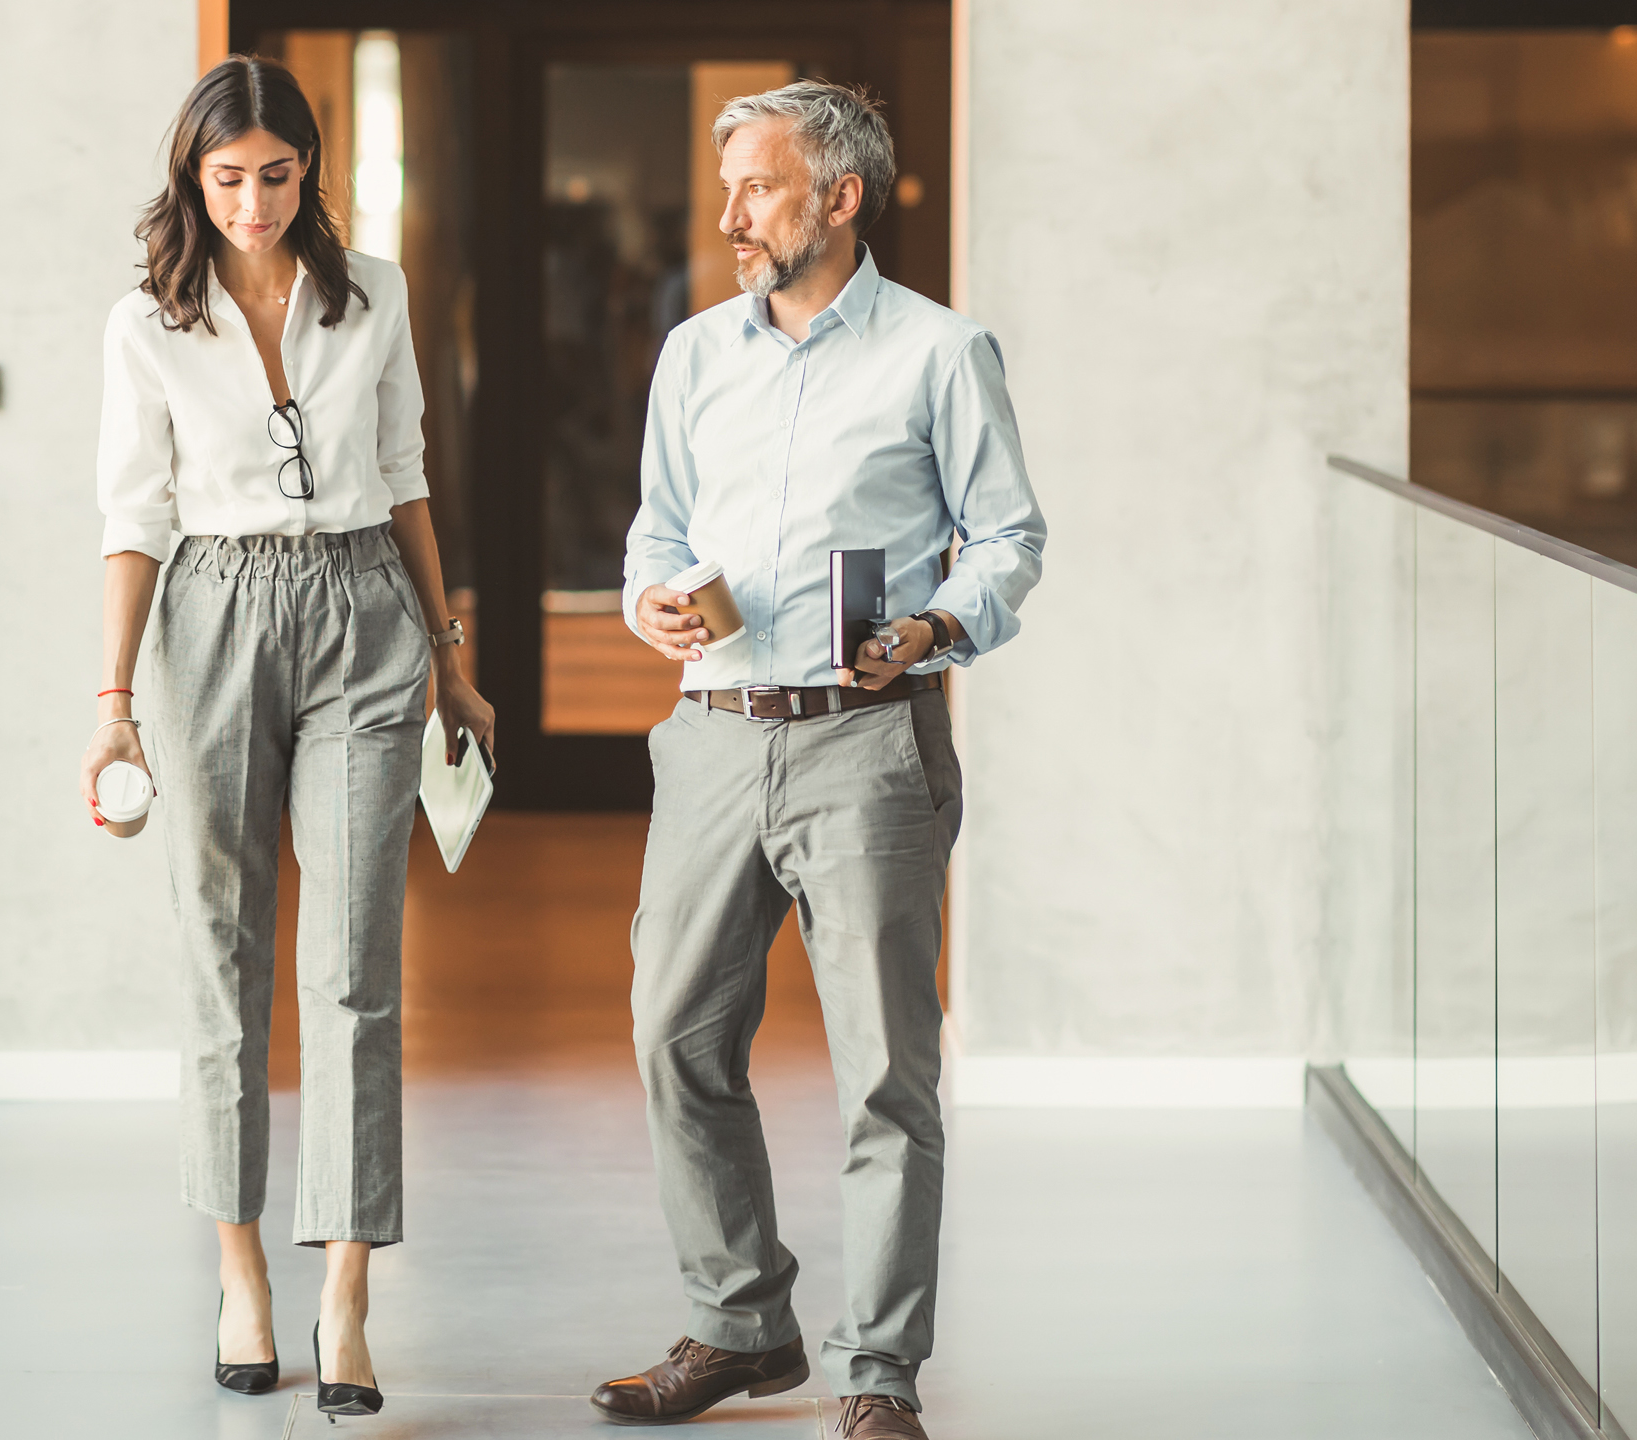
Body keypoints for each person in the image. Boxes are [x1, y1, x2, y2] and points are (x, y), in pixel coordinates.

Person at [591, 80, 1044, 1440]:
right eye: (726, 187)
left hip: (868, 746)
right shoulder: (692, 355)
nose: (728, 215)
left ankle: (881, 1374)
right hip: (715, 736)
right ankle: (740, 1327)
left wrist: (927, 628)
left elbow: (1010, 540)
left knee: (883, 1073)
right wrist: (650, 601)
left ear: (839, 199)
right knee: (676, 1038)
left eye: (758, 188)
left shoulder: (939, 353)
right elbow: (655, 530)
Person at [82, 55, 496, 1420]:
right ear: (192, 183)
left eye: (273, 173)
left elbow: (411, 471)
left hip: (366, 605)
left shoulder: (372, 290)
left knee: (356, 966)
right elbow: (133, 518)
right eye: (225, 178)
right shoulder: (147, 322)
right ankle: (243, 1272)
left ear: (307, 168)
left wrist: (451, 660)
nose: (252, 201)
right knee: (222, 956)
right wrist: (113, 702)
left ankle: (348, 1294)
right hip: (209, 611)